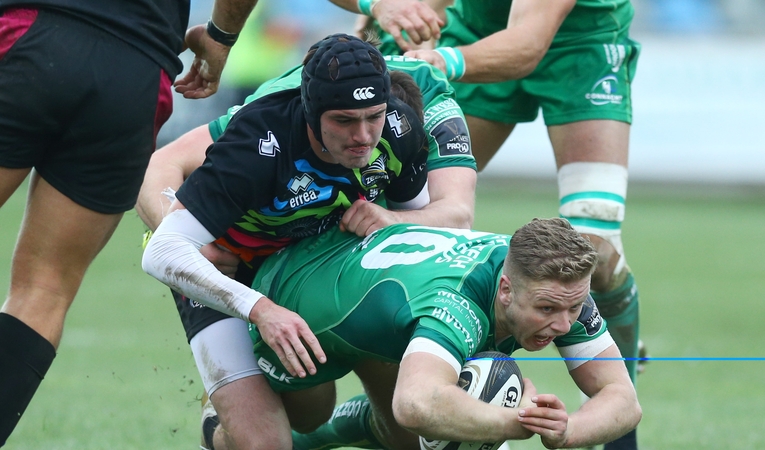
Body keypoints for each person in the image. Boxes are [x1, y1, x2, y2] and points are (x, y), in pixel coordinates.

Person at [141, 33, 475, 450]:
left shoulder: (398, 128)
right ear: (311, 113)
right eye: (344, 121)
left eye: (373, 116)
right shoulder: (259, 141)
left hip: (297, 264)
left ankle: (352, 415)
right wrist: (260, 309)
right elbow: (162, 251)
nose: (363, 135)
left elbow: (425, 238)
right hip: (221, 269)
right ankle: (221, 427)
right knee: (265, 445)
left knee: (313, 415)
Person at [350, 1, 644, 447]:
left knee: (594, 251)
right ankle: (405, 390)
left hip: (582, 43)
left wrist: (440, 59)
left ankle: (621, 419)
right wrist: (388, 12)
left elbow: (526, 43)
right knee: (411, 212)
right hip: (477, 30)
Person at [0, 0, 257, 445]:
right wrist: (220, 37)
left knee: (45, 288)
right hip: (135, 70)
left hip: (32, 31)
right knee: (44, 291)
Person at [243, 217, 641, 449]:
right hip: (292, 298)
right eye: (547, 310)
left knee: (417, 438)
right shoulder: (456, 303)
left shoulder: (555, 284)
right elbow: (415, 405)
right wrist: (516, 422)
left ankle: (359, 420)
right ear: (505, 291)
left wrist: (567, 431)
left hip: (382, 305)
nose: (565, 325)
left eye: (575, 307)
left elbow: (623, 398)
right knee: (286, 432)